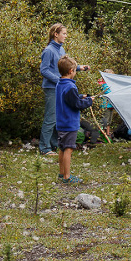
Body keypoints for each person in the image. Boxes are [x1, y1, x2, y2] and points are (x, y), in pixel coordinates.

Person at [39, 23, 90, 156]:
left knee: (58, 117)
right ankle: (44, 148)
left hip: (59, 87)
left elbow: (64, 66)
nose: (66, 36)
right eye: (64, 33)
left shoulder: (61, 50)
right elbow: (44, 70)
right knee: (50, 118)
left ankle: (56, 145)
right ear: (56, 34)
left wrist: (79, 67)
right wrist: (60, 81)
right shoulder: (49, 50)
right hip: (51, 88)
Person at [56, 55, 94, 183]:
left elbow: (69, 98)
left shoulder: (60, 84)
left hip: (61, 122)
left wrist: (81, 96)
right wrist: (88, 101)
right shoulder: (70, 87)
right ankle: (67, 177)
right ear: (71, 71)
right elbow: (76, 104)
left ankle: (62, 174)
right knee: (68, 149)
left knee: (62, 148)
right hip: (69, 123)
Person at [98, 69, 115, 138]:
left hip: (111, 105)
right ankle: (103, 134)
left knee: (109, 120)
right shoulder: (104, 85)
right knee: (105, 120)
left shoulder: (109, 85)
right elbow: (109, 92)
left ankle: (108, 134)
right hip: (106, 105)